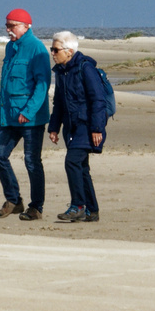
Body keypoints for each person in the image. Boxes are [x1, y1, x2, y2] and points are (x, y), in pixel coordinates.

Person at [0, 8, 52, 220]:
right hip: (8, 116)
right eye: (6, 25)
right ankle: (14, 200)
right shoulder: (10, 47)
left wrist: (29, 111)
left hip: (30, 118)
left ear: (26, 26)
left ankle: (36, 208)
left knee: (32, 161)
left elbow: (43, 85)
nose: (8, 30)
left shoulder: (37, 49)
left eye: (12, 25)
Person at [47, 31, 106, 222]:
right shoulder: (62, 72)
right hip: (71, 127)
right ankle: (92, 210)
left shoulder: (85, 68)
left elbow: (98, 100)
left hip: (87, 126)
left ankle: (78, 206)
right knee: (81, 167)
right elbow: (59, 103)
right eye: (52, 49)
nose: (53, 53)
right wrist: (54, 128)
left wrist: (97, 128)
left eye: (55, 50)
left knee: (72, 162)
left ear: (69, 51)